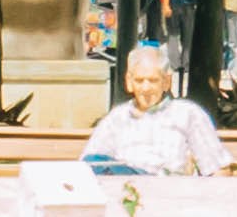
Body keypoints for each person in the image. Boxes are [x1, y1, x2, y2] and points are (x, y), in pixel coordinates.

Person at [76, 42, 227, 175]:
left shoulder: (188, 114)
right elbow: (90, 163)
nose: (146, 88)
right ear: (129, 82)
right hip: (124, 193)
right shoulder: (117, 118)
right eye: (139, 81)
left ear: (166, 82)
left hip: (167, 193)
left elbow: (218, 168)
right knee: (92, 162)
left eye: (153, 81)